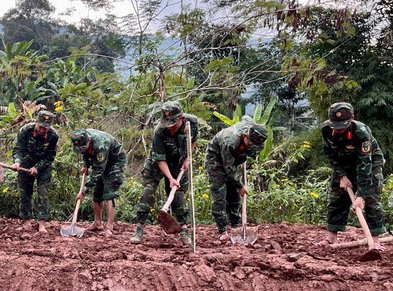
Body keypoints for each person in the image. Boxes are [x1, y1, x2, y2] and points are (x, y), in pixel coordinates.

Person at [316, 102, 386, 249]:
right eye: (335, 124)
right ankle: (331, 238)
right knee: (336, 197)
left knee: (371, 198)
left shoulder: (361, 132)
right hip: (343, 164)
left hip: (370, 163)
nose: (339, 129)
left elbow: (364, 164)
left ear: (352, 118)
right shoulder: (326, 130)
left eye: (342, 125)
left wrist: (361, 195)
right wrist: (341, 176)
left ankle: (375, 240)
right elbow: (330, 155)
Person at [131, 101, 198, 245]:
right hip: (156, 164)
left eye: (173, 125)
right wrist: (170, 178)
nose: (171, 129)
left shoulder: (192, 123)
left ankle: (184, 231)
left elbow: (194, 141)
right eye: (168, 124)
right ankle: (139, 230)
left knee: (178, 195)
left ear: (182, 119)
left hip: (178, 162)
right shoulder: (159, 131)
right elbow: (160, 160)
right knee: (147, 193)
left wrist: (188, 158)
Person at [205, 118, 268, 240]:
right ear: (245, 136)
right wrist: (240, 185)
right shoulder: (230, 142)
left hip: (232, 160)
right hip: (216, 161)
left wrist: (237, 186)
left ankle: (236, 226)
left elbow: (246, 118)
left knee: (234, 195)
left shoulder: (252, 128)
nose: (252, 147)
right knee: (220, 196)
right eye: (251, 144)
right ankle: (222, 230)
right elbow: (228, 169)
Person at [71, 129, 127, 236]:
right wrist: (86, 165)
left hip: (115, 161)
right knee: (97, 192)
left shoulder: (101, 145)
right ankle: (97, 223)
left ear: (89, 141)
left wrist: (83, 191)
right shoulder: (82, 137)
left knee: (109, 192)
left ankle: (109, 227)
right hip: (100, 162)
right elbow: (86, 152)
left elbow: (98, 171)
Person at [12, 111, 59, 234]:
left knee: (43, 194)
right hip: (26, 164)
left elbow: (50, 156)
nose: (42, 130)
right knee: (25, 193)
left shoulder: (53, 135)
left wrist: (37, 167)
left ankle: (42, 224)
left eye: (45, 128)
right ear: (36, 122)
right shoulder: (25, 131)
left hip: (44, 167)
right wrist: (17, 162)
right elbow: (18, 150)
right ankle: (26, 221)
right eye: (40, 126)